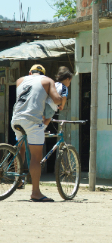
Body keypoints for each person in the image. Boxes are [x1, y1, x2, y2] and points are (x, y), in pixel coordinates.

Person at [11, 64, 62, 202]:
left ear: (30, 72)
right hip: (32, 120)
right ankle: (35, 192)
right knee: (35, 156)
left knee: (20, 148)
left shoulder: (20, 80)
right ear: (43, 73)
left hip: (16, 119)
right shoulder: (47, 80)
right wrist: (62, 99)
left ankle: (18, 180)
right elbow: (56, 100)